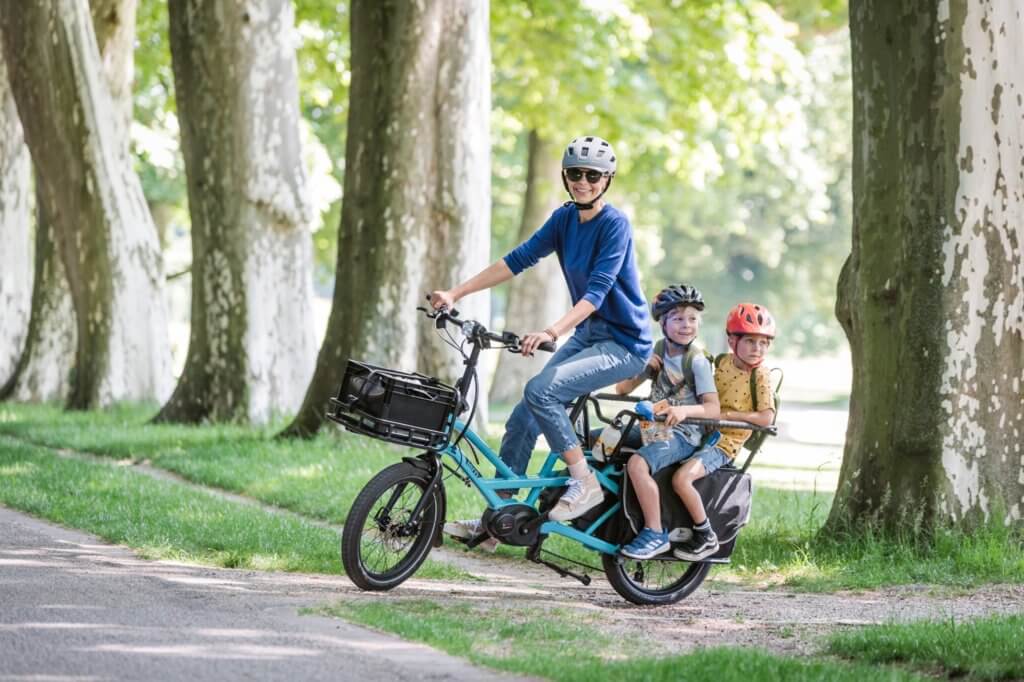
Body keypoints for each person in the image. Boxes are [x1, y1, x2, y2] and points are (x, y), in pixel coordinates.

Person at [432, 135, 652, 534]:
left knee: (541, 391)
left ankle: (584, 483)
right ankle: (499, 520)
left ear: (607, 179)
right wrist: (455, 293)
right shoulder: (564, 219)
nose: (582, 181)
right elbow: (517, 260)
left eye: (592, 175)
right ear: (565, 177)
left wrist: (551, 330)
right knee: (521, 418)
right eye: (574, 173)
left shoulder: (615, 225)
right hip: (589, 335)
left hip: (625, 344)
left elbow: (597, 293)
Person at [617, 284, 723, 560]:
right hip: (655, 428)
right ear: (663, 323)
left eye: (692, 318)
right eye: (677, 318)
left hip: (683, 435)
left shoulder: (696, 361)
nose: (686, 325)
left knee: (637, 464)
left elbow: (713, 408)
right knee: (599, 441)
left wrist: (686, 412)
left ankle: (655, 532)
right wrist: (645, 369)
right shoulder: (660, 349)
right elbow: (622, 389)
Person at [669, 301, 777, 561]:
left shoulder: (760, 376)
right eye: (750, 341)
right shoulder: (721, 363)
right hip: (699, 433)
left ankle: (706, 536)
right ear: (732, 341)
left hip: (723, 444)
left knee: (682, 479)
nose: (757, 349)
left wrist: (727, 415)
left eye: (763, 343)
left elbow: (766, 416)